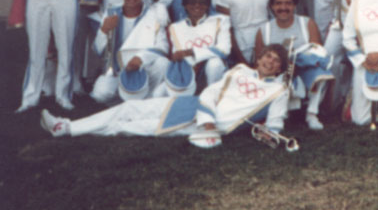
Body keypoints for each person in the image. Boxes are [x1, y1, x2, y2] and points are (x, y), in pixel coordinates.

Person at [40, 44, 290, 146]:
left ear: (279, 68)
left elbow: (276, 122)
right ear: (260, 57)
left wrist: (271, 135)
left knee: (127, 126)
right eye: (268, 56)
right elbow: (212, 92)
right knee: (128, 109)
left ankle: (66, 129)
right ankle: (66, 125)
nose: (270, 62)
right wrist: (207, 117)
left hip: (202, 128)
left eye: (276, 61)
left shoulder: (278, 90)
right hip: (195, 107)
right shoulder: (239, 69)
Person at [255, 0, 327, 130]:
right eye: (278, 3)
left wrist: (298, 62)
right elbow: (259, 62)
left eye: (288, 3)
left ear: (295, 5)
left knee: (321, 74)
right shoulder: (264, 30)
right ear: (272, 6)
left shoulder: (307, 23)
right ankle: (281, 112)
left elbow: (318, 52)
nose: (283, 8)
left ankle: (311, 114)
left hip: (302, 71)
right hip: (277, 74)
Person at [90, 0, 170, 103]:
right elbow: (98, 50)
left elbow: (163, 47)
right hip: (118, 70)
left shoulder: (153, 14)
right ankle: (124, 101)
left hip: (144, 68)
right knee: (100, 94)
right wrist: (103, 31)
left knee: (163, 63)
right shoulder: (111, 13)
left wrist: (141, 58)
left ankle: (147, 100)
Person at [164, 0, 230, 94]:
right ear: (185, 5)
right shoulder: (175, 28)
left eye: (202, 2)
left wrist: (191, 52)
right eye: (192, 2)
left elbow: (224, 49)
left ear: (208, 5)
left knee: (214, 63)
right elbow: (178, 56)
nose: (197, 6)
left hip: (211, 72)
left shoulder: (220, 21)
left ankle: (212, 98)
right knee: (158, 93)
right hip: (187, 73)